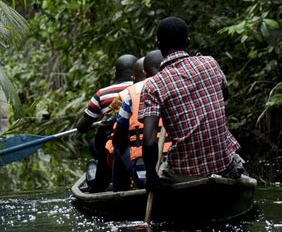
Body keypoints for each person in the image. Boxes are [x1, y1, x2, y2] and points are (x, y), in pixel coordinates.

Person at [139, 17, 244, 192]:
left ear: (159, 43)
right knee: (236, 158)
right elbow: (224, 94)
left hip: (184, 173)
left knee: (161, 170)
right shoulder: (210, 63)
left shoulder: (153, 85)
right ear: (188, 41)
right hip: (224, 166)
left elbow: (149, 142)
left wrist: (151, 177)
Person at [77, 53, 137, 192]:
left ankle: (103, 178)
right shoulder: (146, 88)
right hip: (139, 140)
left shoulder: (102, 94)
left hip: (115, 143)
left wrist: (95, 124)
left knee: (96, 142)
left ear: (116, 73)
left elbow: (81, 127)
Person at [112, 50, 170, 190]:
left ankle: (119, 193)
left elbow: (118, 140)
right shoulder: (180, 84)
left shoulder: (130, 92)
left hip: (148, 176)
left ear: (144, 72)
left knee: (117, 147)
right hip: (181, 168)